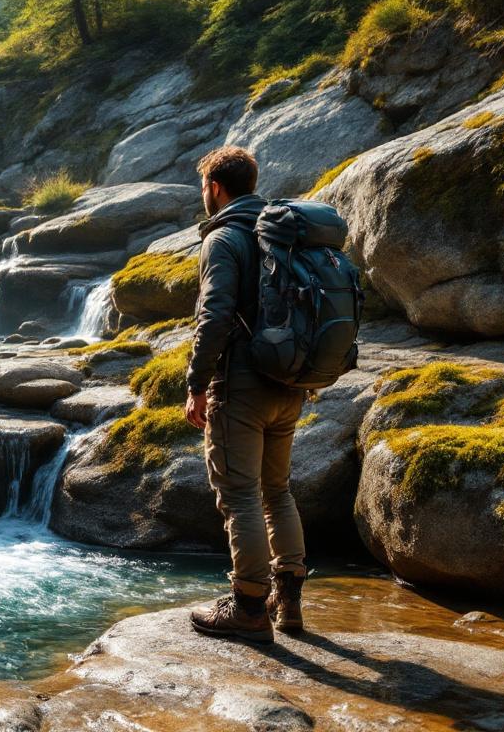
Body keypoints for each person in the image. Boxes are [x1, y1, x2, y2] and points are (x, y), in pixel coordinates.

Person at [184, 146, 307, 645]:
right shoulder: (281, 232)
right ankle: (288, 601)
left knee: (239, 496)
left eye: (204, 187)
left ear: (215, 187)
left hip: (241, 386)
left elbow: (214, 316)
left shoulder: (224, 238)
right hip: (289, 381)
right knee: (277, 490)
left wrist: (196, 384)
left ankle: (249, 607)